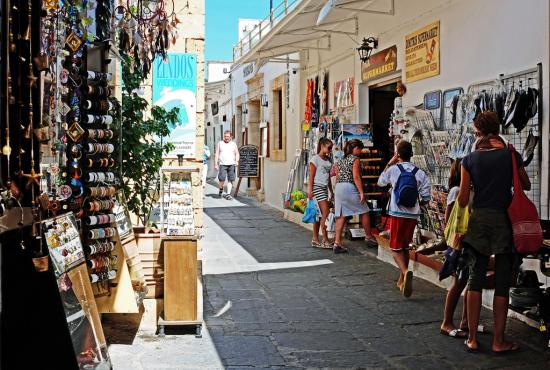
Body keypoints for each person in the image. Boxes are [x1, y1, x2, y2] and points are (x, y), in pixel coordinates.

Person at [457, 111, 530, 353]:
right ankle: (499, 341)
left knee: (474, 279)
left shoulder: (469, 159)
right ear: (497, 128)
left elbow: (464, 199)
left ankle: (471, 338)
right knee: (501, 282)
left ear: (478, 130)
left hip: (479, 221)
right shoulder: (510, 154)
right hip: (503, 220)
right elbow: (526, 184)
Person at [378, 140, 431, 298]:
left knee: (395, 248)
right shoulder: (420, 173)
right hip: (412, 215)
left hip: (397, 213)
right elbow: (426, 198)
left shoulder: (394, 170)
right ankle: (402, 280)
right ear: (412, 154)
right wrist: (416, 204)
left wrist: (390, 162)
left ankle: (405, 271)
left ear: (398, 154)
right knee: (405, 247)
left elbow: (380, 182)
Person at [439, 158, 469, 338]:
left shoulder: (464, 190)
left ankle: (465, 321)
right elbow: (449, 217)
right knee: (458, 281)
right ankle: (447, 322)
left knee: (466, 280)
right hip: (458, 239)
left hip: (464, 239)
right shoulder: (457, 191)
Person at [333, 139, 378, 254]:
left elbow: (337, 177)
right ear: (356, 148)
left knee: (341, 215)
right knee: (364, 211)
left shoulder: (340, 160)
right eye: (360, 149)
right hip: (349, 187)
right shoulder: (355, 159)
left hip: (339, 187)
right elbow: (356, 176)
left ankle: (337, 243)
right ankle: (368, 237)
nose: (361, 151)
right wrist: (361, 192)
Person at [308, 138, 334, 249]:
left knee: (319, 216)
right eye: (329, 147)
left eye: (331, 147)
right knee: (325, 212)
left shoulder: (329, 160)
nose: (330, 150)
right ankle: (325, 239)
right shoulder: (315, 159)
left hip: (324, 188)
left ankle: (315, 238)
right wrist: (310, 191)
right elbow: (311, 176)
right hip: (316, 188)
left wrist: (331, 191)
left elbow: (328, 178)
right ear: (322, 146)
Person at [215, 131, 239, 200]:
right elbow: (217, 154)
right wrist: (216, 164)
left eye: (228, 136)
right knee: (221, 179)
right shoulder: (220, 143)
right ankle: (221, 188)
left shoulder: (233, 144)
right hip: (222, 164)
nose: (226, 138)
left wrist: (236, 161)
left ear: (230, 137)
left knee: (230, 179)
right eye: (225, 136)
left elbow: (237, 153)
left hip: (231, 164)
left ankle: (228, 194)